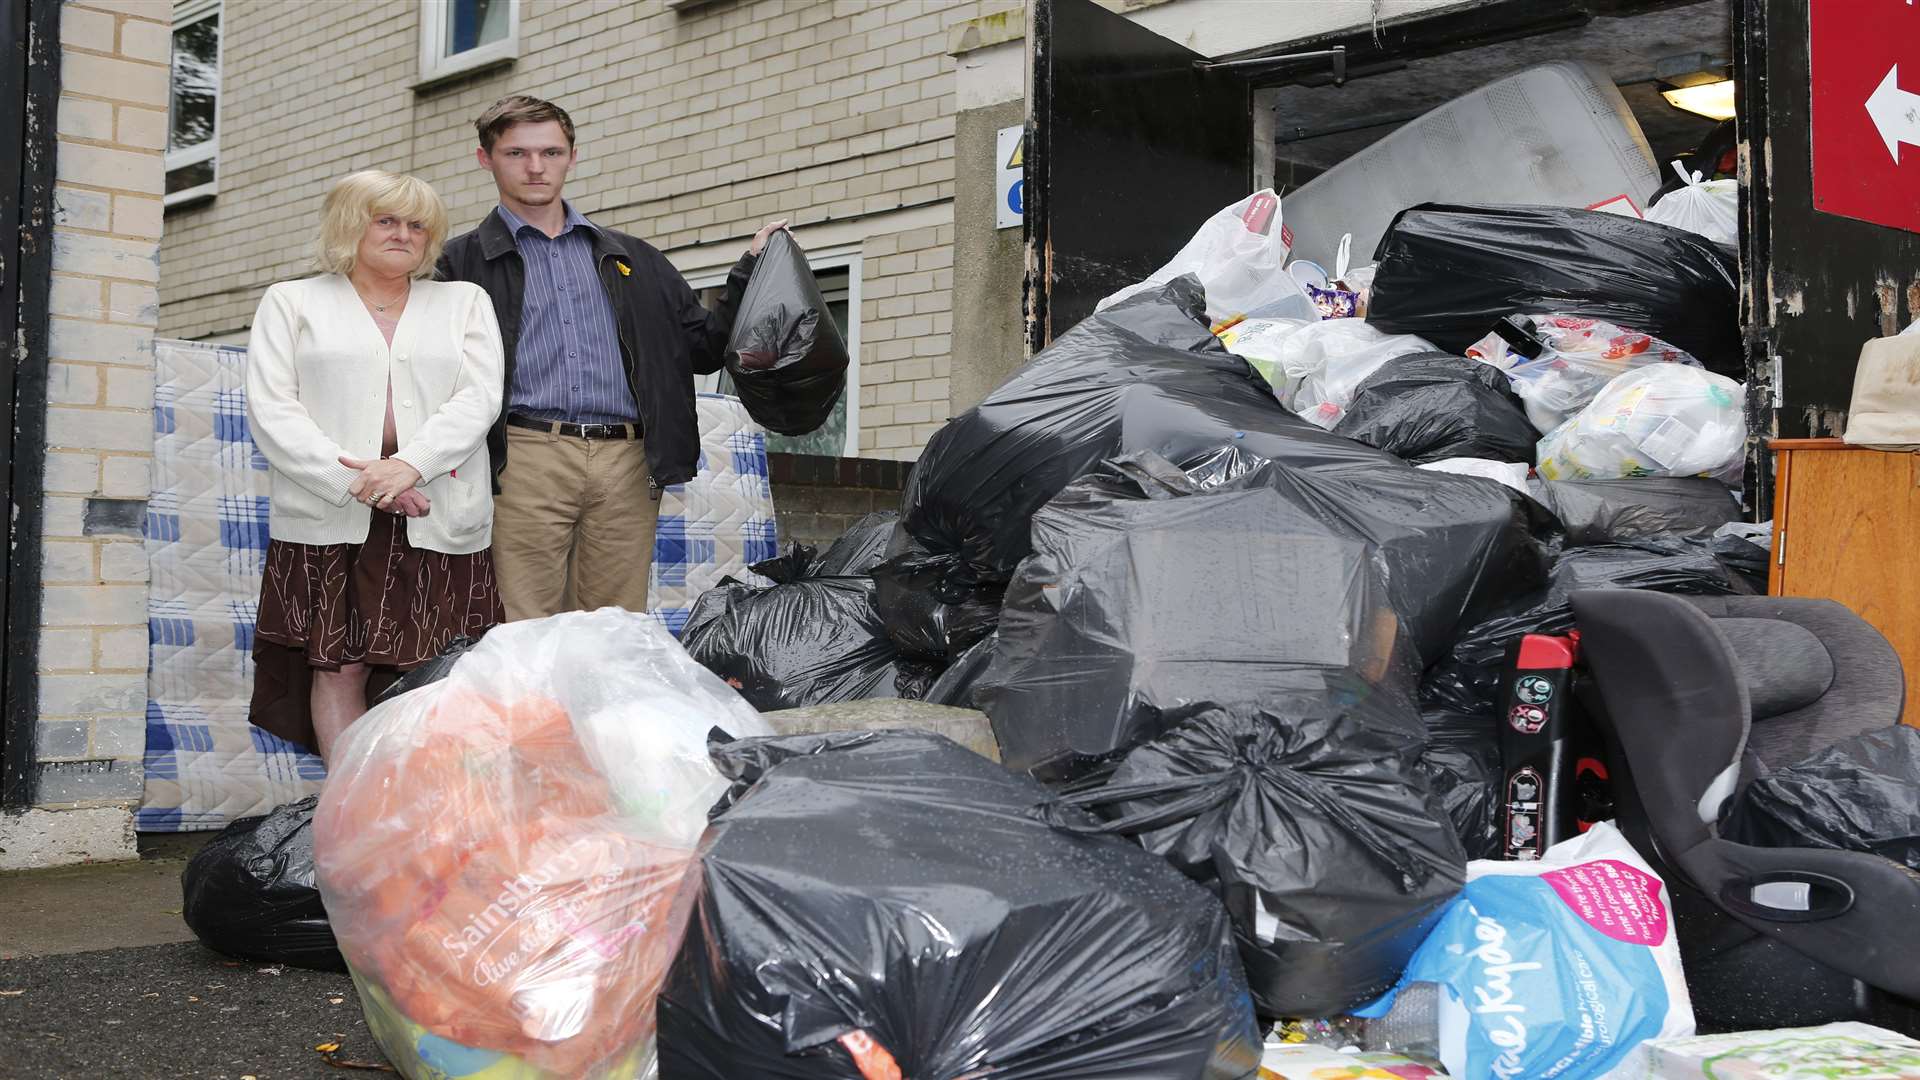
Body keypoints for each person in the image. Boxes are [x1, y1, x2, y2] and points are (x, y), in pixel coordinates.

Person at [436, 94, 786, 621]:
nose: (536, 167)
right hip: (522, 456)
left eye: (551, 152)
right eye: (517, 153)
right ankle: (534, 709)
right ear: (486, 159)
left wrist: (749, 271)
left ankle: (598, 709)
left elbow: (703, 348)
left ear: (572, 157)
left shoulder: (632, 257)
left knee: (614, 625)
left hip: (627, 461)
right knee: (522, 624)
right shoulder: (458, 263)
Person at [246, 170, 506, 761]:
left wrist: (410, 466)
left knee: (442, 667)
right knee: (339, 665)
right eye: (386, 220)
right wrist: (360, 481)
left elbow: (479, 398)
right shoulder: (293, 302)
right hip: (328, 513)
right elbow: (272, 410)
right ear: (349, 225)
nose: (404, 234)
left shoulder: (464, 301)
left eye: (418, 225)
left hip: (438, 509)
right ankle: (350, 808)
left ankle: (426, 804)